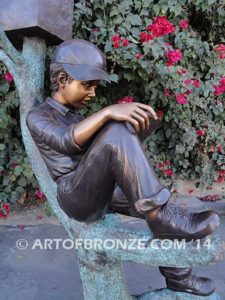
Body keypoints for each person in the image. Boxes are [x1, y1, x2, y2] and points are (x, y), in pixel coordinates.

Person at [26, 39, 220, 296]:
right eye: (87, 85)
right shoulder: (38, 116)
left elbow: (105, 155)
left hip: (100, 188)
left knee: (161, 210)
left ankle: (179, 277)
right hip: (76, 196)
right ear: (62, 78)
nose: (92, 93)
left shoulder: (76, 115)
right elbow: (66, 141)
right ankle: (160, 216)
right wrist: (109, 113)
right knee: (116, 132)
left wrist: (136, 132)